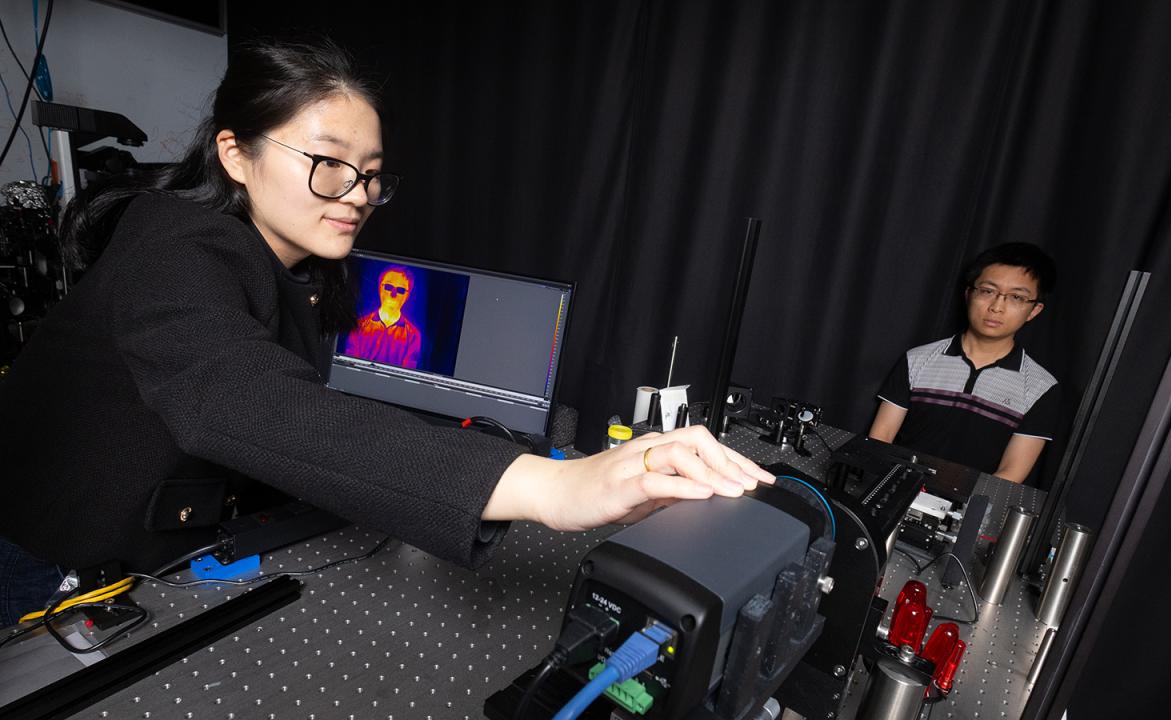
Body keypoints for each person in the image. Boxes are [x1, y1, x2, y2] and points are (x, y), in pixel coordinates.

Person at [0, 38, 772, 627]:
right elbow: (231, 398)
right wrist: (554, 485)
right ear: (235, 152)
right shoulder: (174, 243)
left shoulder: (294, 267)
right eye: (329, 164)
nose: (357, 195)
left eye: (370, 173)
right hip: (43, 561)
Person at [868, 243, 1061, 484]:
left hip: (969, 511)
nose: (997, 307)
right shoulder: (917, 359)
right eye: (988, 291)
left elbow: (1011, 473)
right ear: (969, 294)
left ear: (1034, 310)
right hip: (895, 488)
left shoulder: (1041, 386)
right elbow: (880, 438)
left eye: (1016, 297)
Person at [344, 264, 422, 367]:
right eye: (388, 287)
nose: (393, 294)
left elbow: (407, 374)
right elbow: (350, 365)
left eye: (400, 290)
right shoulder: (359, 325)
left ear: (407, 295)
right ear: (380, 288)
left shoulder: (413, 335)